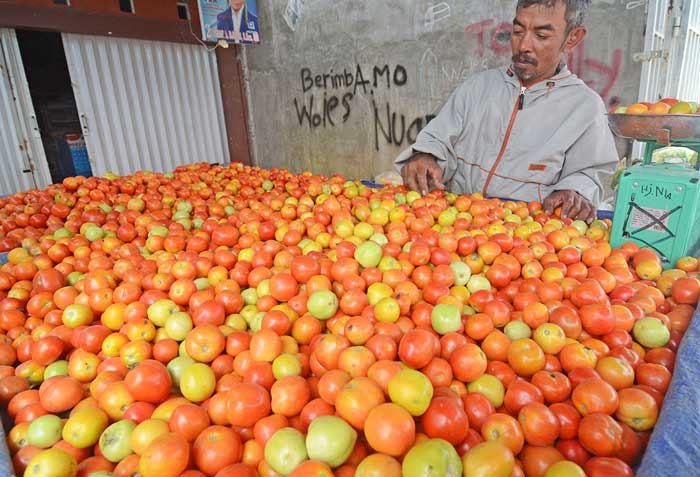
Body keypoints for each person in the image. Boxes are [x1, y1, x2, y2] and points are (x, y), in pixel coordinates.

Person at [396, 0, 618, 223]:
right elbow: (438, 141)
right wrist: (425, 156)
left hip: (526, 243)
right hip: (454, 231)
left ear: (573, 38)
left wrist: (575, 191)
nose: (523, 46)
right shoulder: (477, 87)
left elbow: (590, 174)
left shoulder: (585, 108)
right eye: (518, 31)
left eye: (541, 36)